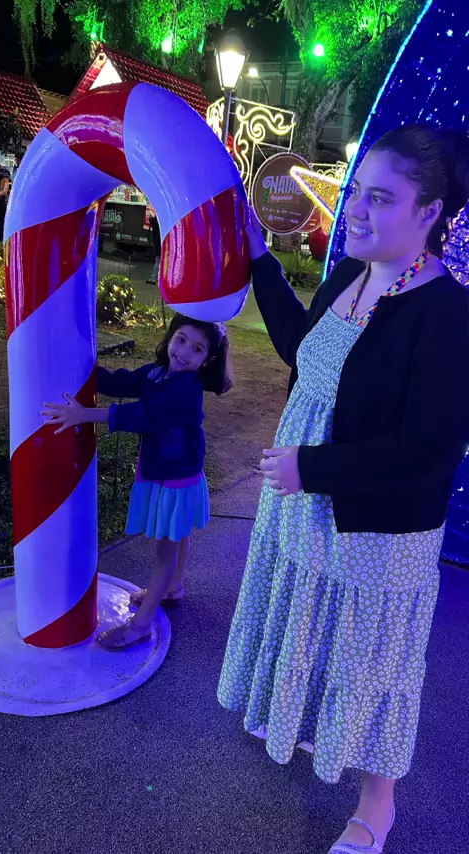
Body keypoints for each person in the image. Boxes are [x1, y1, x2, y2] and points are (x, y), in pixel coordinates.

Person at [218, 124, 469, 854]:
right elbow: (303, 349)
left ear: (430, 212)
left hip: (375, 528)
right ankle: (304, 726)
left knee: (371, 662)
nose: (354, 209)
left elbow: (430, 451)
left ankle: (375, 807)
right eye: (357, 191)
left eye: (380, 198)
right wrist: (260, 258)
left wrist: (312, 470)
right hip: (304, 506)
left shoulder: (447, 315)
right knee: (311, 625)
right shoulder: (354, 272)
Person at [42, 315, 232, 651]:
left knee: (166, 549)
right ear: (171, 336)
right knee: (178, 533)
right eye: (181, 339)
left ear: (207, 359)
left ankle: (141, 624)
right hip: (172, 469)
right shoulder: (158, 373)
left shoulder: (186, 389)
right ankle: (173, 588)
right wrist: (84, 368)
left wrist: (84, 415)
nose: (184, 352)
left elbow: (143, 416)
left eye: (197, 348)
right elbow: (122, 382)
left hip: (176, 477)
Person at [147, 214, 161, 284]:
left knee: (158, 261)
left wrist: (150, 218)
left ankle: (154, 278)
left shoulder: (159, 216)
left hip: (158, 242)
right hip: (160, 242)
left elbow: (154, 222)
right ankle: (154, 277)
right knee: (158, 261)